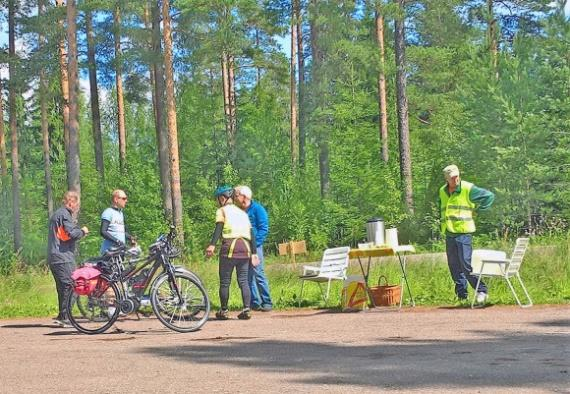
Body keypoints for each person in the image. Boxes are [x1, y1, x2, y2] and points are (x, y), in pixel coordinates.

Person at [439, 164, 495, 305]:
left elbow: (489, 196)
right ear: (447, 179)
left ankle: (482, 291)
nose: (456, 179)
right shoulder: (442, 191)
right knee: (454, 266)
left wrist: (479, 210)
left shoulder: (467, 188)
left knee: (466, 265)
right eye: (452, 177)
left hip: (464, 233)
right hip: (449, 233)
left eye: (457, 176)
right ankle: (462, 297)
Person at [205, 185, 259, 320]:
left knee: (225, 281)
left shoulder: (222, 210)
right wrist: (254, 253)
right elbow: (252, 233)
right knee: (243, 281)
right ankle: (246, 309)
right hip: (245, 248)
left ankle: (224, 311)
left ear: (223, 198)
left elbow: (219, 227)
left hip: (229, 248)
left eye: (218, 199)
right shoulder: (243, 212)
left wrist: (212, 245)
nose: (218, 201)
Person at [47, 191, 89, 327]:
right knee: (74, 285)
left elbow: (63, 235)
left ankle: (62, 315)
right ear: (71, 201)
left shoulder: (57, 214)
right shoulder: (64, 214)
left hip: (54, 257)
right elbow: (70, 234)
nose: (77, 207)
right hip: (63, 257)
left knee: (62, 287)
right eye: (77, 204)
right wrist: (82, 231)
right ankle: (66, 317)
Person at [235, 185, 273, 312]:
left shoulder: (258, 209)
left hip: (255, 247)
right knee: (247, 276)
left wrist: (255, 245)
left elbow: (263, 228)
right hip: (243, 247)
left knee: (258, 274)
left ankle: (267, 301)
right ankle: (254, 302)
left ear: (244, 197)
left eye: (237, 195)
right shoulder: (239, 211)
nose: (235, 198)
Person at [100, 189, 134, 254]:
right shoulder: (108, 212)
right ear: (116, 199)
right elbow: (103, 232)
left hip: (120, 251)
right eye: (124, 198)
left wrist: (130, 238)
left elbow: (121, 232)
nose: (126, 201)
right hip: (109, 252)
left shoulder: (121, 213)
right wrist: (117, 241)